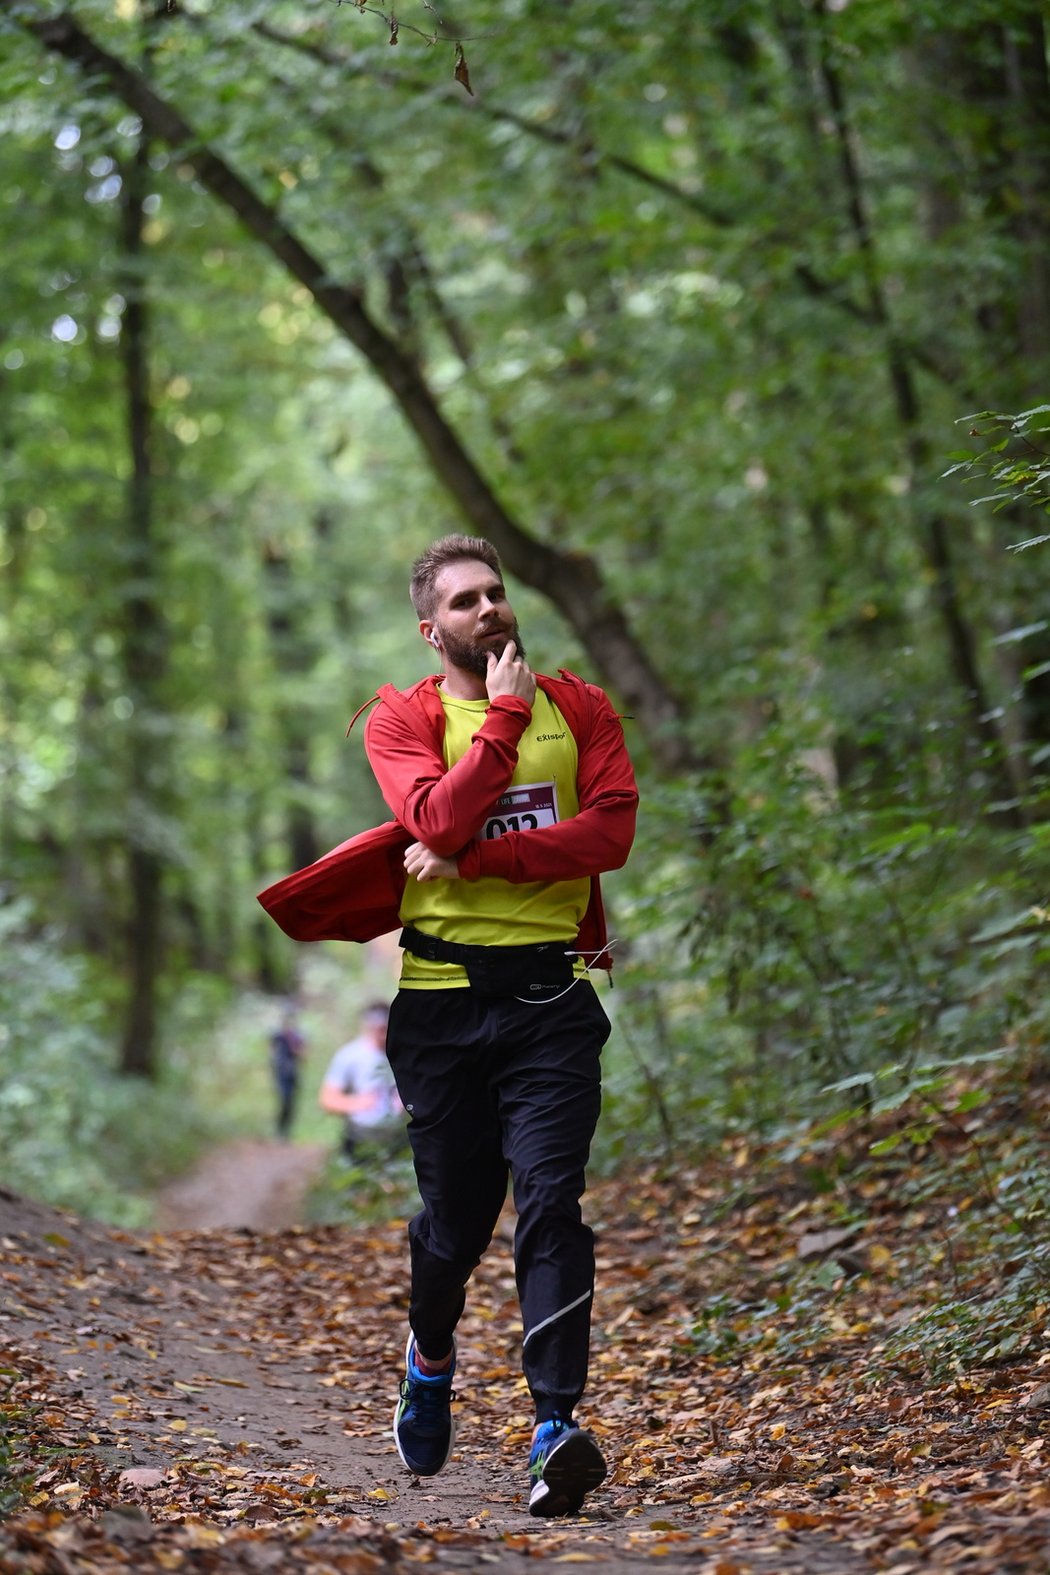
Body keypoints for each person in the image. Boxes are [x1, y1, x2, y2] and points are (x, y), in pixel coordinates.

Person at [256, 533, 637, 1515]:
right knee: (455, 1230)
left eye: (496, 594)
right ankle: (429, 1363)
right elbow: (432, 817)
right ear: (432, 629)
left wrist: (478, 864)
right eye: (464, 602)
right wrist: (503, 719)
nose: (487, 611)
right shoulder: (404, 717)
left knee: (552, 1200)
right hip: (439, 1008)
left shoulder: (582, 707)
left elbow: (611, 835)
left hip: (552, 1002)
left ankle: (554, 1426)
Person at [318, 1001, 404, 1161]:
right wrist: (358, 1103)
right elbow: (327, 1099)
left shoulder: (403, 1055)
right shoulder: (349, 1056)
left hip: (397, 1141)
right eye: (380, 1028)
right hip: (360, 1141)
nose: (384, 1033)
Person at [270, 1003, 306, 1141]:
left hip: (293, 1074)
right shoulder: (277, 1035)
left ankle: (286, 1132)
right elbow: (272, 1052)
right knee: (283, 1100)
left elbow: (302, 1054)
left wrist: (294, 1047)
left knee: (291, 1103)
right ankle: (280, 1131)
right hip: (280, 1074)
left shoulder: (298, 1036)